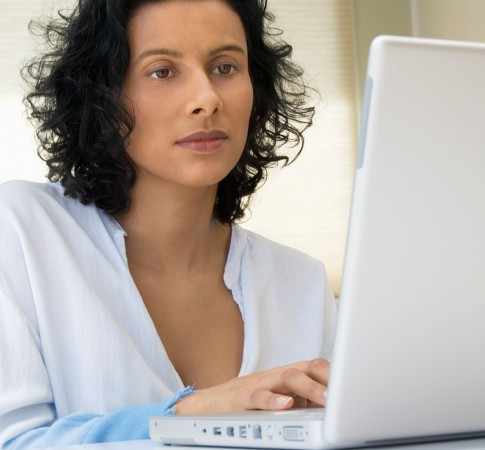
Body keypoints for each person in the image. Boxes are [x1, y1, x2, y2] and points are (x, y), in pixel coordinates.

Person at [0, 0, 337, 447]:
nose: (207, 99)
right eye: (162, 71)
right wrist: (190, 414)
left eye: (225, 67)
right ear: (101, 97)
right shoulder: (21, 229)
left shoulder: (302, 282)